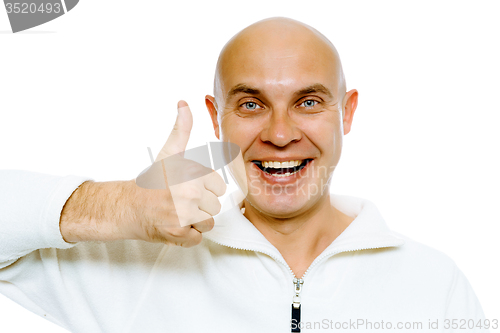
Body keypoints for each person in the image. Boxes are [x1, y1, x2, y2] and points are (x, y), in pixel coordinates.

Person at [0, 17, 488, 333]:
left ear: (348, 113)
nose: (279, 134)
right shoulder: (132, 268)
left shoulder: (433, 285)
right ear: (217, 118)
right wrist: (124, 207)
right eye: (251, 104)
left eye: (309, 102)